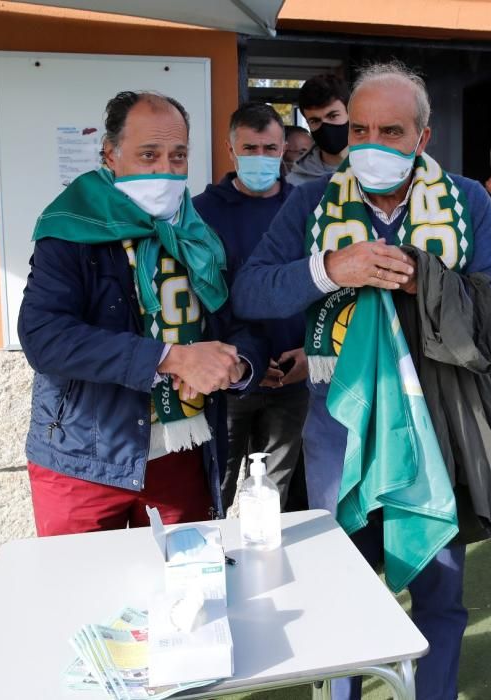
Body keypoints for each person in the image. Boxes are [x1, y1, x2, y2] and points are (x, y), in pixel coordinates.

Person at [234, 62, 491, 700]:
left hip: (434, 419)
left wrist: (426, 282)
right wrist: (331, 267)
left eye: (391, 131)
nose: (371, 145)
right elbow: (251, 289)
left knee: (439, 590)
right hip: (342, 427)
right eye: (359, 130)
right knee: (344, 592)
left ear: (423, 136)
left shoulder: (466, 200)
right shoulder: (309, 201)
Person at [18, 91, 267, 535]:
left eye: (178, 156)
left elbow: (239, 323)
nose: (166, 170)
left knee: (185, 590)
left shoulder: (199, 234)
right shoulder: (70, 230)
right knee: (82, 595)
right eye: (148, 155)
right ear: (111, 156)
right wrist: (172, 358)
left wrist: (238, 363)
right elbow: (44, 336)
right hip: (86, 458)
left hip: (183, 449)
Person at [193, 102, 308, 510]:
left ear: (284, 151)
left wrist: (312, 353)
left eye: (270, 149)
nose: (261, 158)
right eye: (251, 148)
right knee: (216, 491)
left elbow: (325, 286)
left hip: (292, 376)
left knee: (274, 495)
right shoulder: (199, 213)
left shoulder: (305, 209)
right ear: (231, 150)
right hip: (229, 379)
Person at [287, 73, 350, 185]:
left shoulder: (378, 174)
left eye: (332, 116)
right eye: (315, 121)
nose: (325, 127)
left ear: (351, 114)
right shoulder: (294, 185)